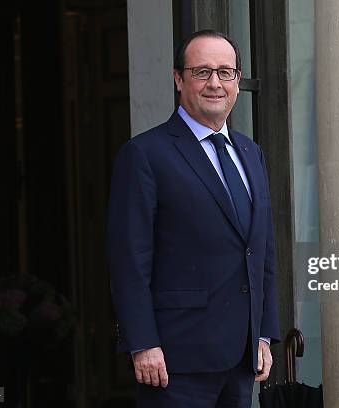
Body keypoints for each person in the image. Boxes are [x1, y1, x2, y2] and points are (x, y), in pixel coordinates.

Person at [107, 29, 280, 408]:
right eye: (202, 72)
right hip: (173, 359)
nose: (215, 83)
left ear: (237, 81)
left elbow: (261, 251)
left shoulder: (251, 153)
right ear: (178, 79)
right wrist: (143, 342)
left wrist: (264, 334)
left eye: (226, 72)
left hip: (241, 357)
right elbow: (129, 261)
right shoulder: (145, 154)